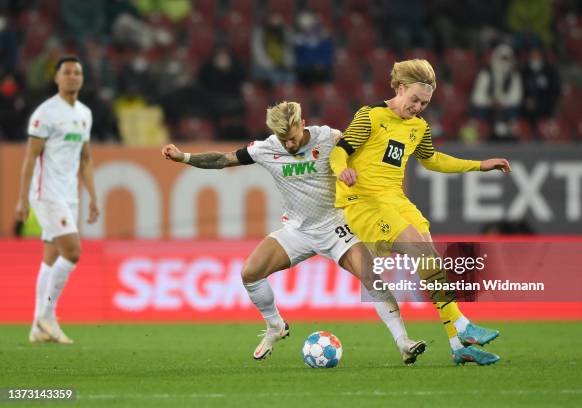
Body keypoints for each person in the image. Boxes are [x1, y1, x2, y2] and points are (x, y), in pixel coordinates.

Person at [162, 101, 427, 365]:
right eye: (282, 139)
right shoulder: (266, 148)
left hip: (337, 227)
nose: (288, 145)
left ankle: (403, 342)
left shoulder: (329, 138)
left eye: (292, 138)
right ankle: (276, 325)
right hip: (298, 229)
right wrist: (183, 157)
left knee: (372, 277)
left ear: (302, 124)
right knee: (250, 273)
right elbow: (223, 159)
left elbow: (363, 154)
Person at [329, 59, 512, 365]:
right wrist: (341, 170)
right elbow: (340, 150)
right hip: (364, 202)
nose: (418, 107)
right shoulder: (371, 116)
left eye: (425, 103)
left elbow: (432, 160)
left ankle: (458, 344)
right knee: (422, 253)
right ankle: (464, 325)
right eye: (414, 99)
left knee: (430, 259)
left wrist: (479, 165)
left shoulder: (418, 127)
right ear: (400, 89)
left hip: (395, 200)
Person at [15, 56, 99, 344]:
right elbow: (30, 158)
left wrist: (93, 197)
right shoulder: (46, 113)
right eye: (67, 72)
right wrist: (22, 200)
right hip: (47, 193)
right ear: (57, 78)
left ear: (82, 78)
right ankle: (48, 316)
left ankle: (38, 327)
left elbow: (85, 159)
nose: (73, 76)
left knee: (51, 257)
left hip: (69, 195)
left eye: (77, 72)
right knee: (73, 251)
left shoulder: (85, 113)